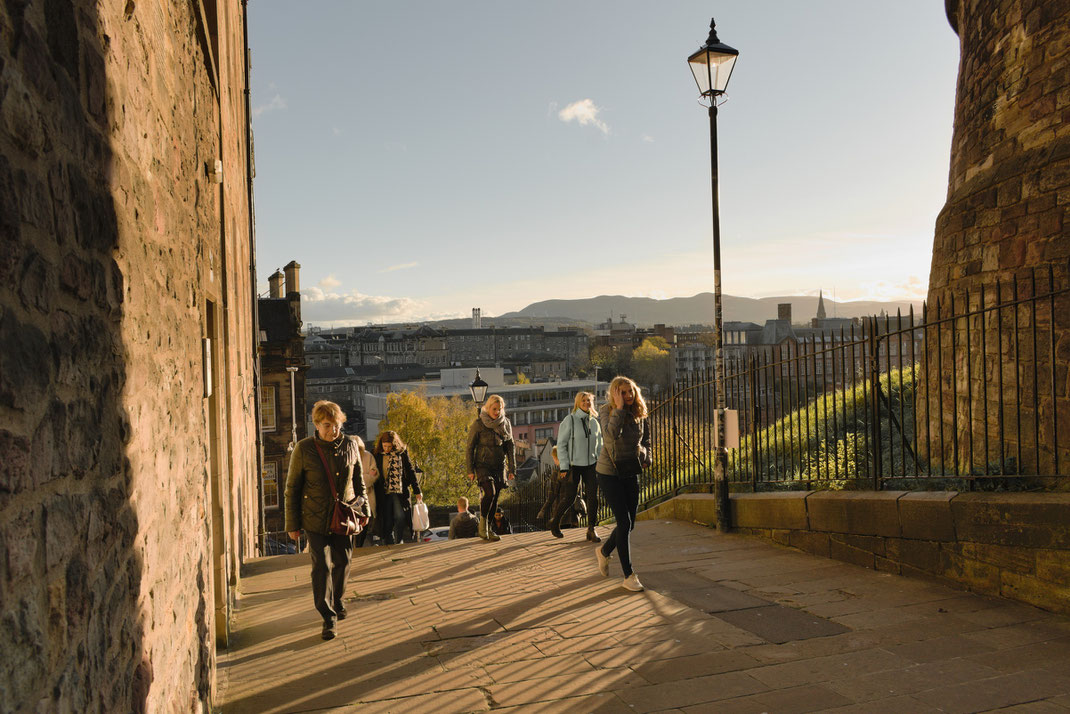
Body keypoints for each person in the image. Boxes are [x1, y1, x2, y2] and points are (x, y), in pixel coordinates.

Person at [285, 400, 369, 640]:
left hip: (344, 516)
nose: (333, 430)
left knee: (343, 562)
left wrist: (365, 512)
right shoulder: (304, 449)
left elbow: (359, 483)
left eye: (337, 425)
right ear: (317, 425)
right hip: (314, 518)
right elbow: (292, 488)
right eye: (327, 425)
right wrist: (292, 525)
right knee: (321, 565)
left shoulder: (351, 445)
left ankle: (337, 599)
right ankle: (328, 616)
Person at [594, 376, 651, 592]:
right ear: (614, 394)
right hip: (609, 473)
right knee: (624, 522)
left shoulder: (640, 411)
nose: (628, 396)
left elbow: (646, 441)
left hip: (630, 471)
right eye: (622, 393)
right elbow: (610, 436)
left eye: (630, 392)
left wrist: (647, 458)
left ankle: (604, 551)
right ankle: (628, 575)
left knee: (630, 524)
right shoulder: (606, 411)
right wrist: (618, 408)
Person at [549, 391, 604, 542]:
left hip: (591, 465)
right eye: (583, 401)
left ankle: (591, 529)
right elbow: (561, 445)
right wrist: (564, 466)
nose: (586, 403)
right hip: (573, 465)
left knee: (593, 496)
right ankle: (555, 522)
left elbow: (600, 445)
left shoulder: (594, 422)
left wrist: (601, 462)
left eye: (589, 401)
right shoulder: (570, 420)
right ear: (578, 403)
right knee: (570, 497)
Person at [466, 394, 516, 541]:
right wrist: (470, 470)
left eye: (499, 409)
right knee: (489, 492)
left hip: (499, 465)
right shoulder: (479, 424)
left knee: (495, 498)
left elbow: (510, 446)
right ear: (488, 408)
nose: (497, 412)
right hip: (482, 465)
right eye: (494, 409)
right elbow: (470, 447)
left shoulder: (505, 423)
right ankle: (482, 526)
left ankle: (489, 528)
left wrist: (512, 469)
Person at [372, 431, 423, 545]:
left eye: (389, 446)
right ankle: (389, 542)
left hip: (398, 491)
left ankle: (399, 540)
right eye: (385, 446)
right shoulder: (376, 454)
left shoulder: (402, 453)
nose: (387, 449)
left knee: (400, 516)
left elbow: (410, 471)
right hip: (383, 492)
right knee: (387, 520)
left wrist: (417, 490)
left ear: (394, 445)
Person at [353, 436, 379, 548]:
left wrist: (360, 479)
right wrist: (366, 476)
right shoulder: (346, 457)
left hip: (367, 497)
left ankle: (358, 546)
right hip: (351, 498)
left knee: (364, 523)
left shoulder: (368, 456)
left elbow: (374, 475)